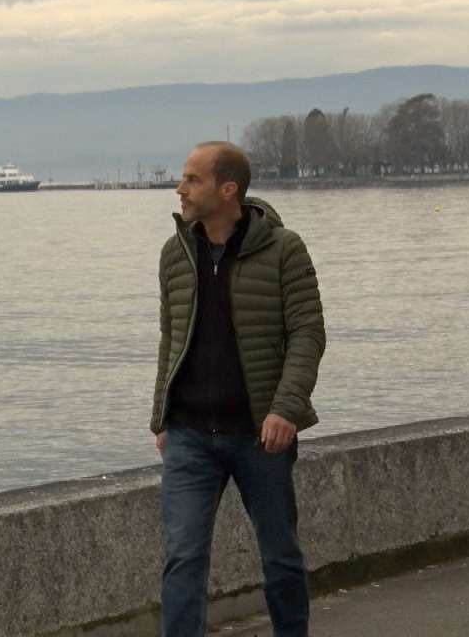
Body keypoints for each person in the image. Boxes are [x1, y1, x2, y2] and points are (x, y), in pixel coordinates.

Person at [151, 141, 326, 637]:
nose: (180, 189)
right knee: (183, 557)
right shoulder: (175, 252)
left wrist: (285, 409)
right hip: (188, 434)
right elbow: (170, 336)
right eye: (183, 178)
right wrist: (161, 417)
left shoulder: (284, 248)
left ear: (228, 190)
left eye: (193, 179)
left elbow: (308, 333)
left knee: (280, 556)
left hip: (258, 434)